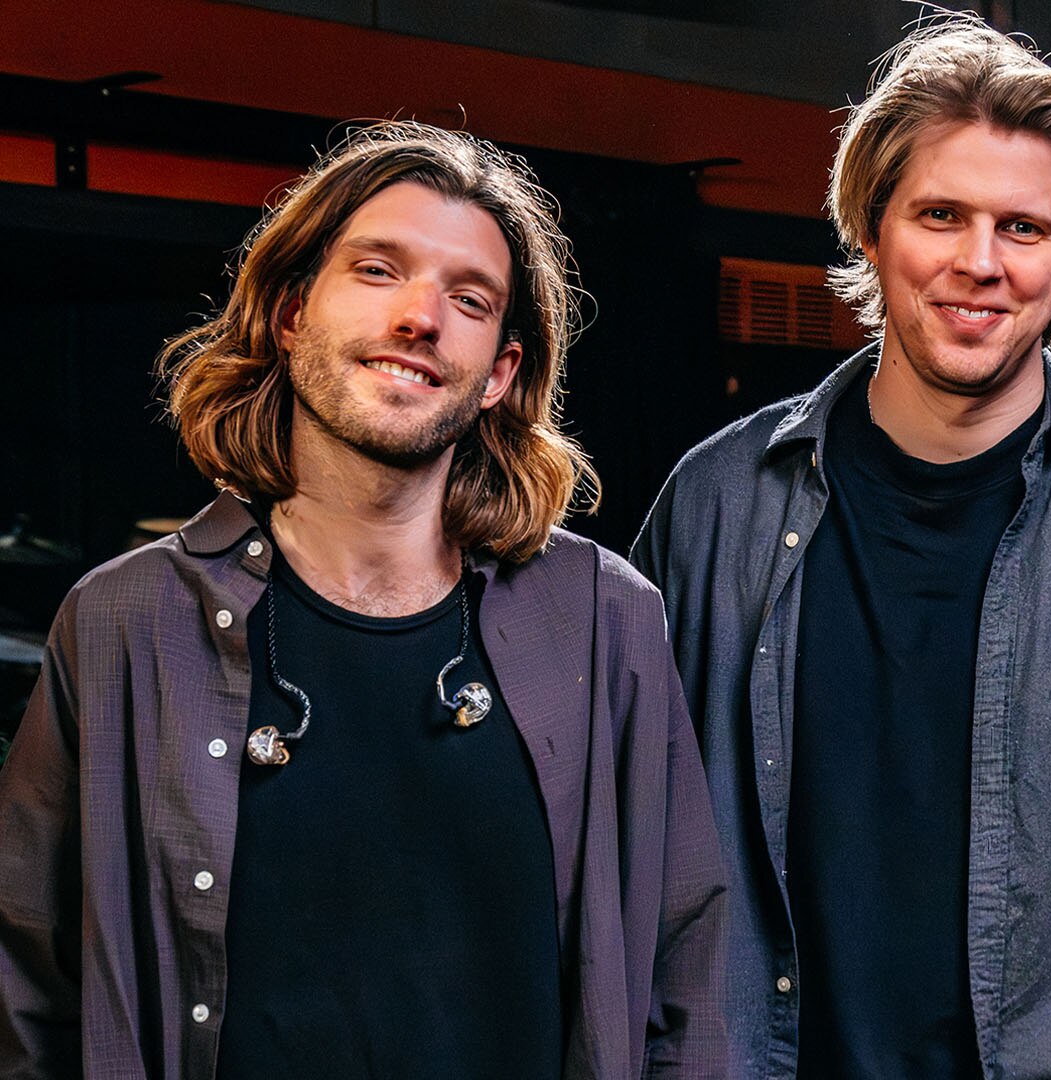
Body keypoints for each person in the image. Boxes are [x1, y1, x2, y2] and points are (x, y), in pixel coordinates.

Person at [633, 14, 1051, 1079]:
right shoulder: (716, 506)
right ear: (874, 228)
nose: (979, 263)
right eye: (940, 214)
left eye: (1024, 228)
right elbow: (632, 840)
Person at [0, 121, 727, 1078]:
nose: (421, 318)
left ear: (502, 375)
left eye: (469, 298)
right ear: (292, 315)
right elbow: (29, 991)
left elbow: (689, 976)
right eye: (379, 271)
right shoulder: (123, 624)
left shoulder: (603, 621)